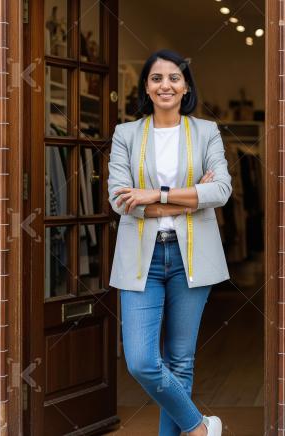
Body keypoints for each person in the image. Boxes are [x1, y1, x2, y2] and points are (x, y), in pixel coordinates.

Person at [107, 49, 231, 436]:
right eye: (157, 78)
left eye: (174, 78)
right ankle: (198, 428)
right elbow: (119, 199)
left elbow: (221, 191)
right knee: (142, 361)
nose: (166, 85)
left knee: (180, 362)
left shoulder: (206, 131)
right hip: (141, 257)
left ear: (186, 87)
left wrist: (154, 196)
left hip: (191, 257)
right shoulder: (126, 134)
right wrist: (189, 196)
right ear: (146, 87)